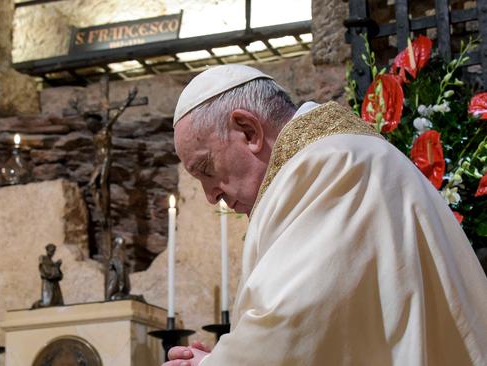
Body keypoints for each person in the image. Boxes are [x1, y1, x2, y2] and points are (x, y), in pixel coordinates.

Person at [165, 64, 487, 365]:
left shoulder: (334, 167)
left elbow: (295, 326)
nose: (211, 196)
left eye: (207, 169)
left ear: (249, 131)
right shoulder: (339, 156)